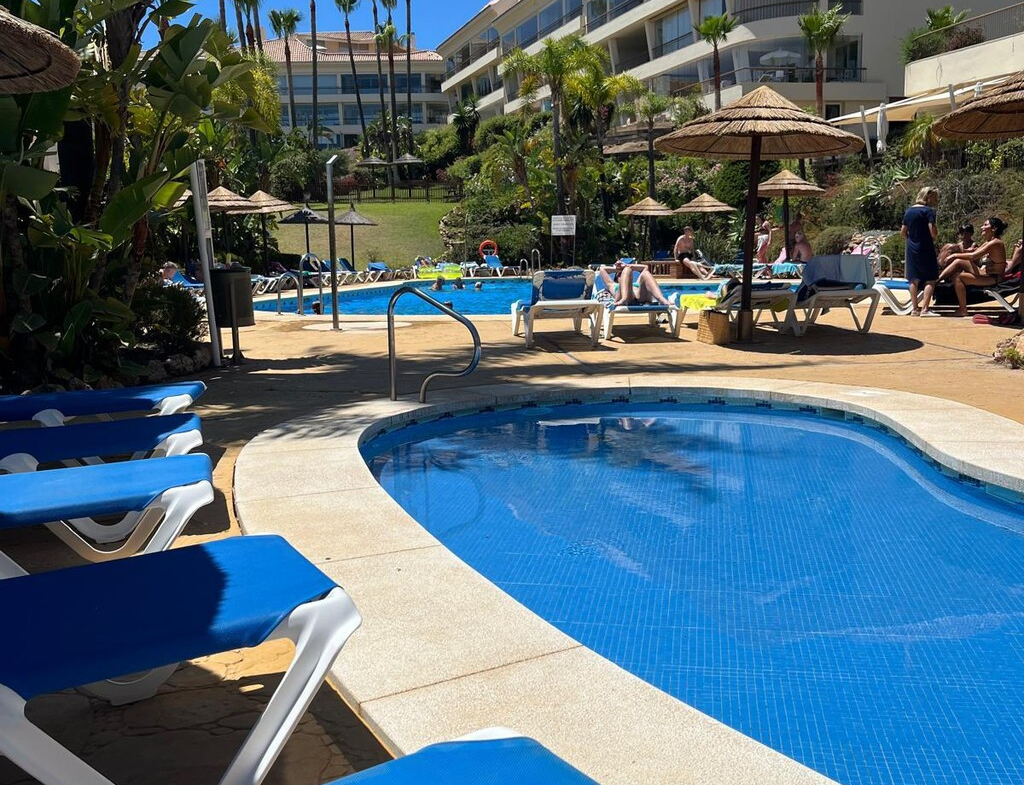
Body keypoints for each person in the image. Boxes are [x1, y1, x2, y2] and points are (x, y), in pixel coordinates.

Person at [939, 216, 1008, 317]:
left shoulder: (996, 243)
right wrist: (954, 250)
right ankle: (937, 279)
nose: (982, 227)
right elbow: (973, 252)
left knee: (959, 277)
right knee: (959, 261)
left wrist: (954, 255)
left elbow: (973, 256)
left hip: (993, 278)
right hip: (986, 274)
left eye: (985, 225)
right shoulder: (989, 242)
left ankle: (963, 310)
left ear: (993, 228)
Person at [901, 186, 940, 317]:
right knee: (930, 279)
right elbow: (932, 231)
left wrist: (912, 239)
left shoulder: (908, 211)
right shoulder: (928, 211)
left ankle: (915, 309)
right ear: (928, 197)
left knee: (914, 279)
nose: (935, 201)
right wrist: (934, 233)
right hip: (926, 247)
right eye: (934, 198)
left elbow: (903, 232)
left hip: (911, 248)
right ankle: (925, 309)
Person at [597, 261, 672, 307]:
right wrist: (619, 269)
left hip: (640, 298)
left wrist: (626, 266)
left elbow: (645, 267)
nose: (623, 275)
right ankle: (624, 298)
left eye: (622, 274)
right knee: (627, 270)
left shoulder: (636, 283)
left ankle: (661, 299)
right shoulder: (612, 285)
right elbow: (602, 269)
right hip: (623, 298)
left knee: (645, 273)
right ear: (616, 278)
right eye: (620, 274)